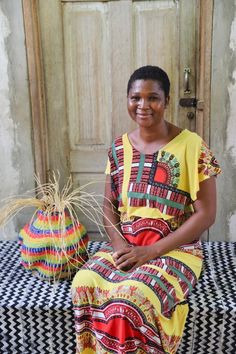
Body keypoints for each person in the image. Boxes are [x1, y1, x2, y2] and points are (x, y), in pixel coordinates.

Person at [71, 65, 221, 353]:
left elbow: (207, 214)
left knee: (132, 299)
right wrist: (119, 248)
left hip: (175, 250)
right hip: (125, 244)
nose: (143, 105)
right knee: (83, 283)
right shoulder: (118, 149)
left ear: (165, 101)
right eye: (135, 98)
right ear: (127, 100)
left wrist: (150, 252)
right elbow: (108, 205)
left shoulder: (192, 146)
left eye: (152, 97)